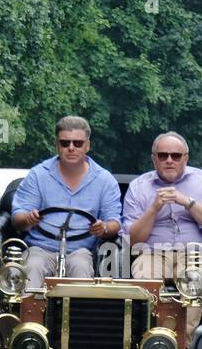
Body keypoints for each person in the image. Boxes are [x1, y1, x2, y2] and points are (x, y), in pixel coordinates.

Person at [122, 132, 202, 328]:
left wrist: (187, 202)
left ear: (185, 158)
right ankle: (150, 343)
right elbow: (133, 239)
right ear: (154, 159)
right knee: (144, 280)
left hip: (193, 251)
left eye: (176, 156)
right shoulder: (138, 187)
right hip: (152, 252)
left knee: (193, 279)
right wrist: (154, 209)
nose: (169, 160)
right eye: (163, 155)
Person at [12, 116, 121, 289]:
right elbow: (17, 218)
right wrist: (28, 219)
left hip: (80, 250)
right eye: (65, 143)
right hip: (40, 248)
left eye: (77, 143)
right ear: (57, 145)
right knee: (32, 265)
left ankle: (80, 315)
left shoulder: (105, 180)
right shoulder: (38, 175)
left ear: (87, 145)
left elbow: (115, 221)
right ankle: (28, 314)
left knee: (81, 267)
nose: (71, 148)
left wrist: (104, 228)